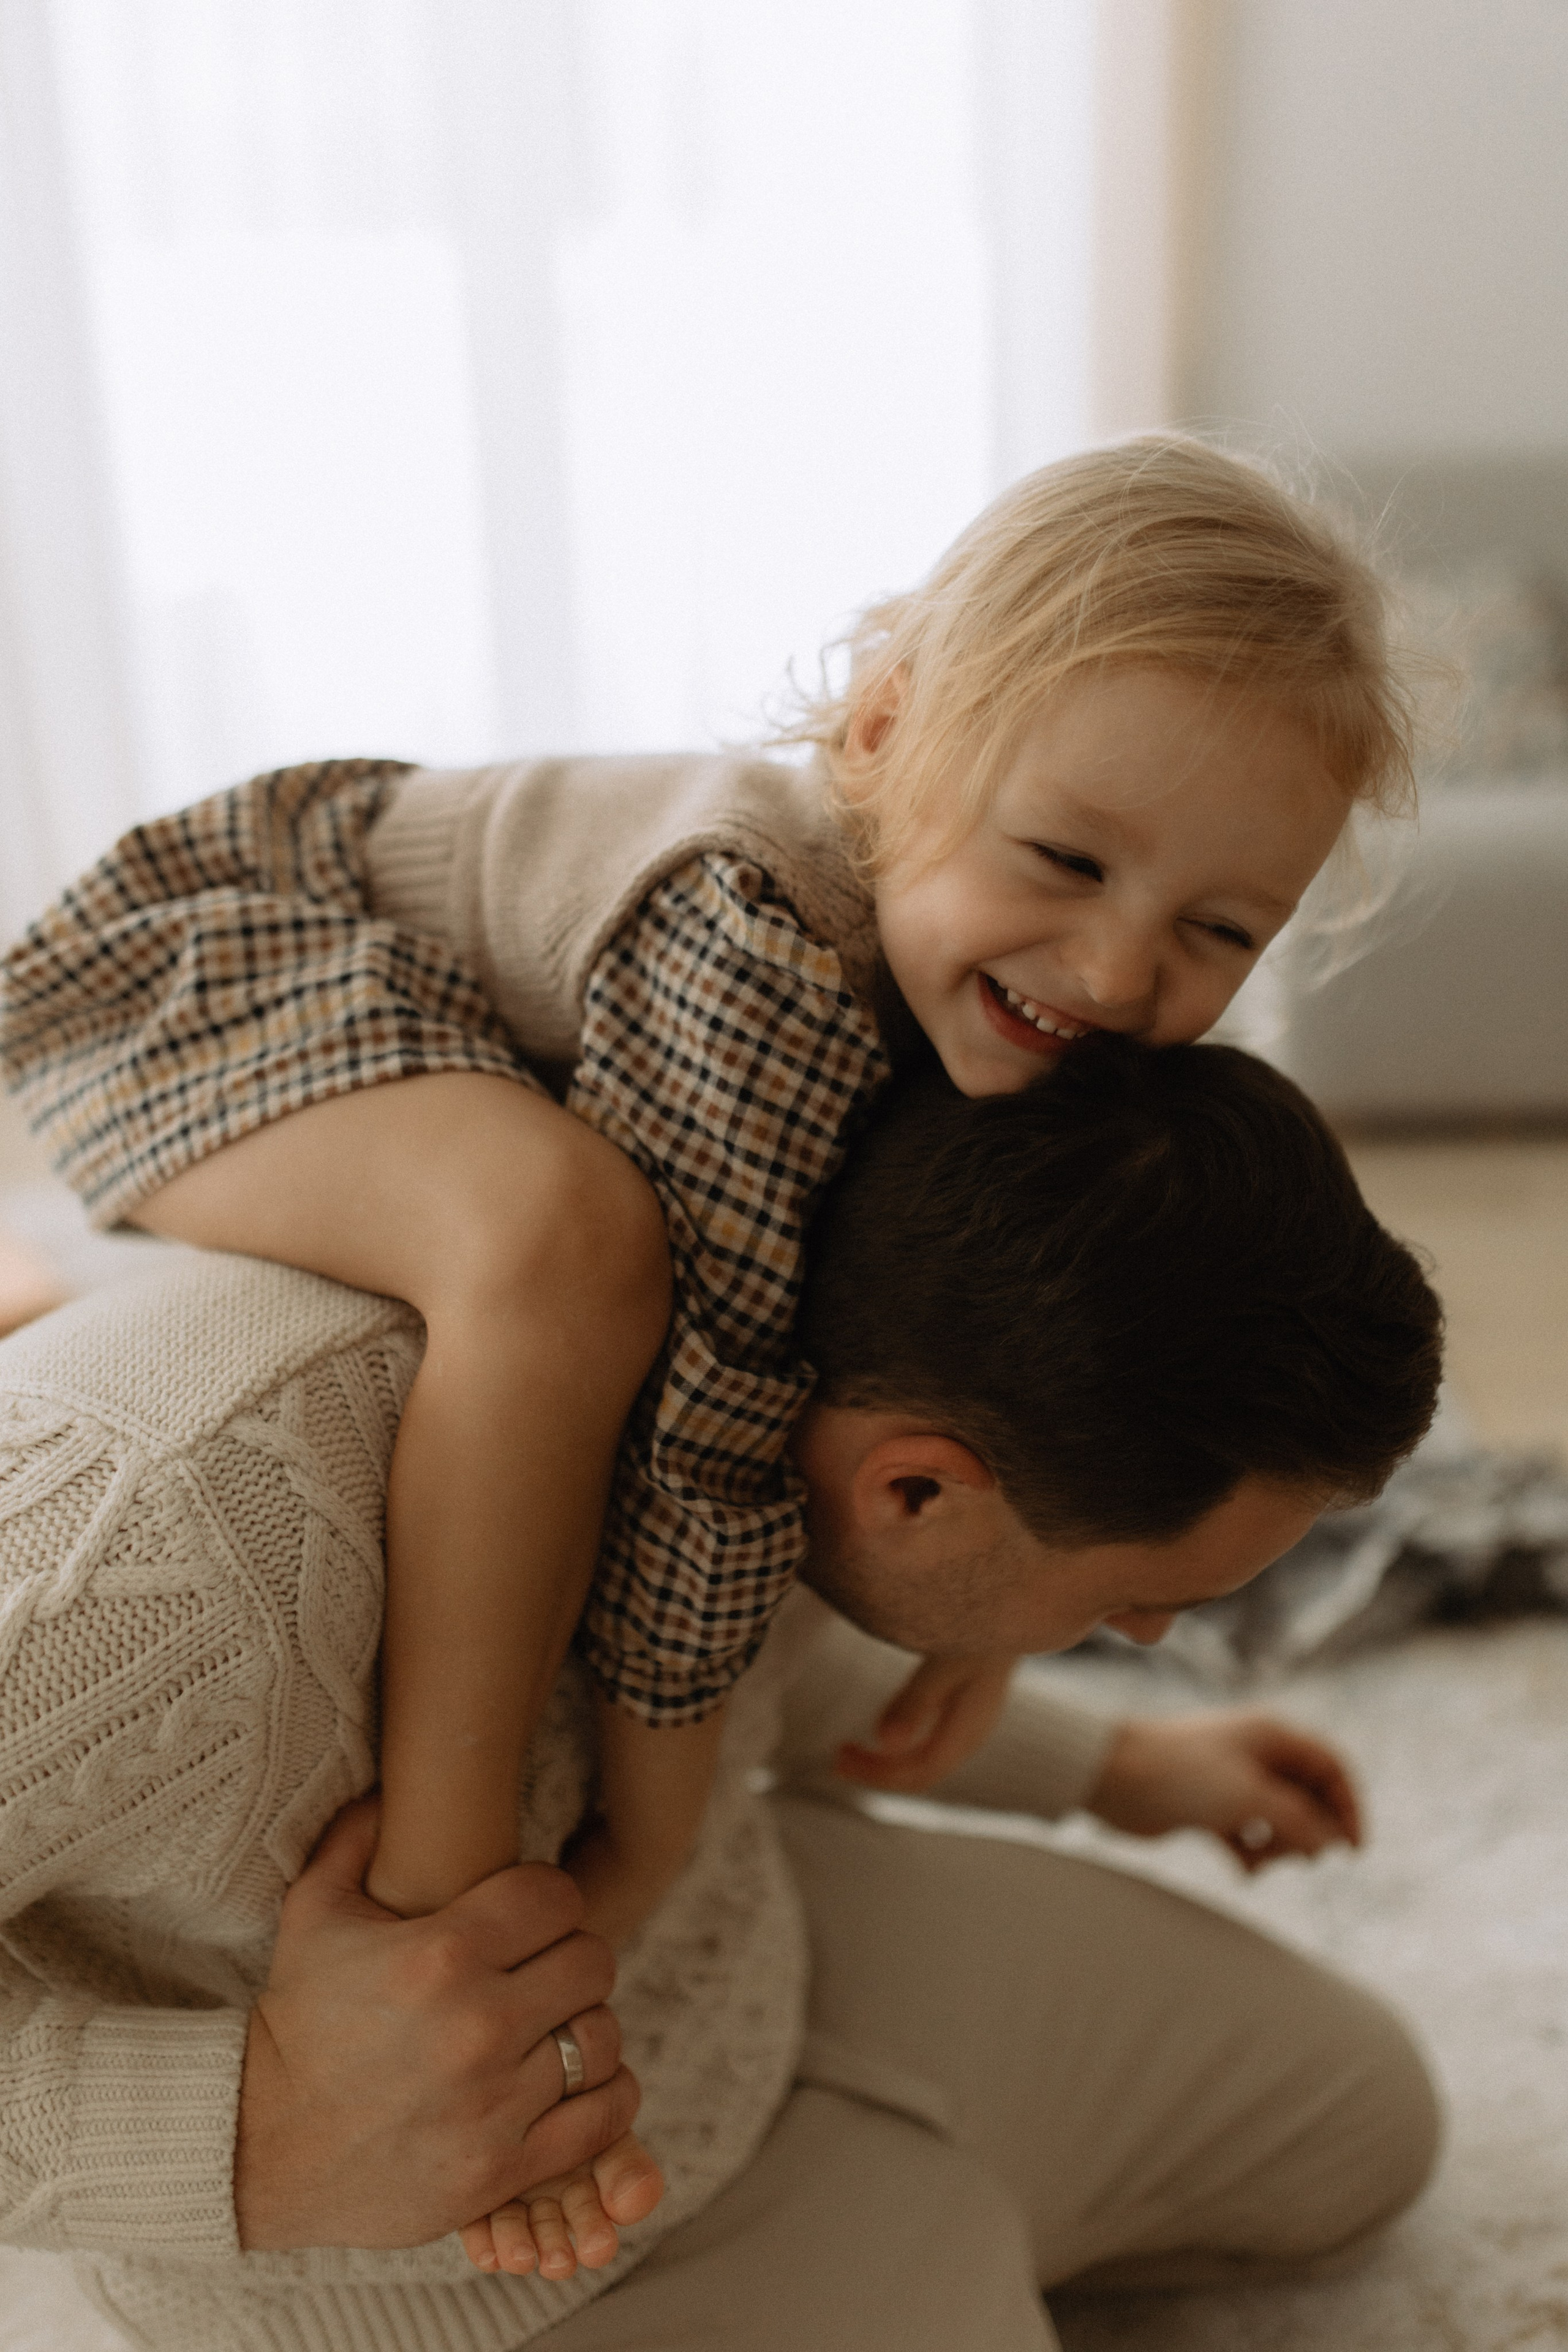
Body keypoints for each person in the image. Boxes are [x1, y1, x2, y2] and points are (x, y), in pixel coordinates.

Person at [0, 437, 1418, 2263]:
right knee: (556, 1246)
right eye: (1069, 857)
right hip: (193, 969)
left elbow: (872, 1473)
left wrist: (1024, 1679)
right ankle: (455, 1879)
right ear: (889, 730)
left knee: (1358, 2122)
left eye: (1222, 930)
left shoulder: (972, 1002)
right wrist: (600, 1881)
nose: (1122, 971)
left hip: (775, 1987)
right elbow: (699, 1475)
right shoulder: (750, 953)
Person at [0, 1040, 1442, 2351]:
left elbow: (748, 1636)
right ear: (920, 1486)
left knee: (1364, 2128)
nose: (1136, 1634)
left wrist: (1106, 1766)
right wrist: (256, 2130)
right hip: (478, 2290)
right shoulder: (141, 1539)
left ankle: (946, 2243)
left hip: (765, 1968)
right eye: (1141, 1599)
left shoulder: (760, 1337)